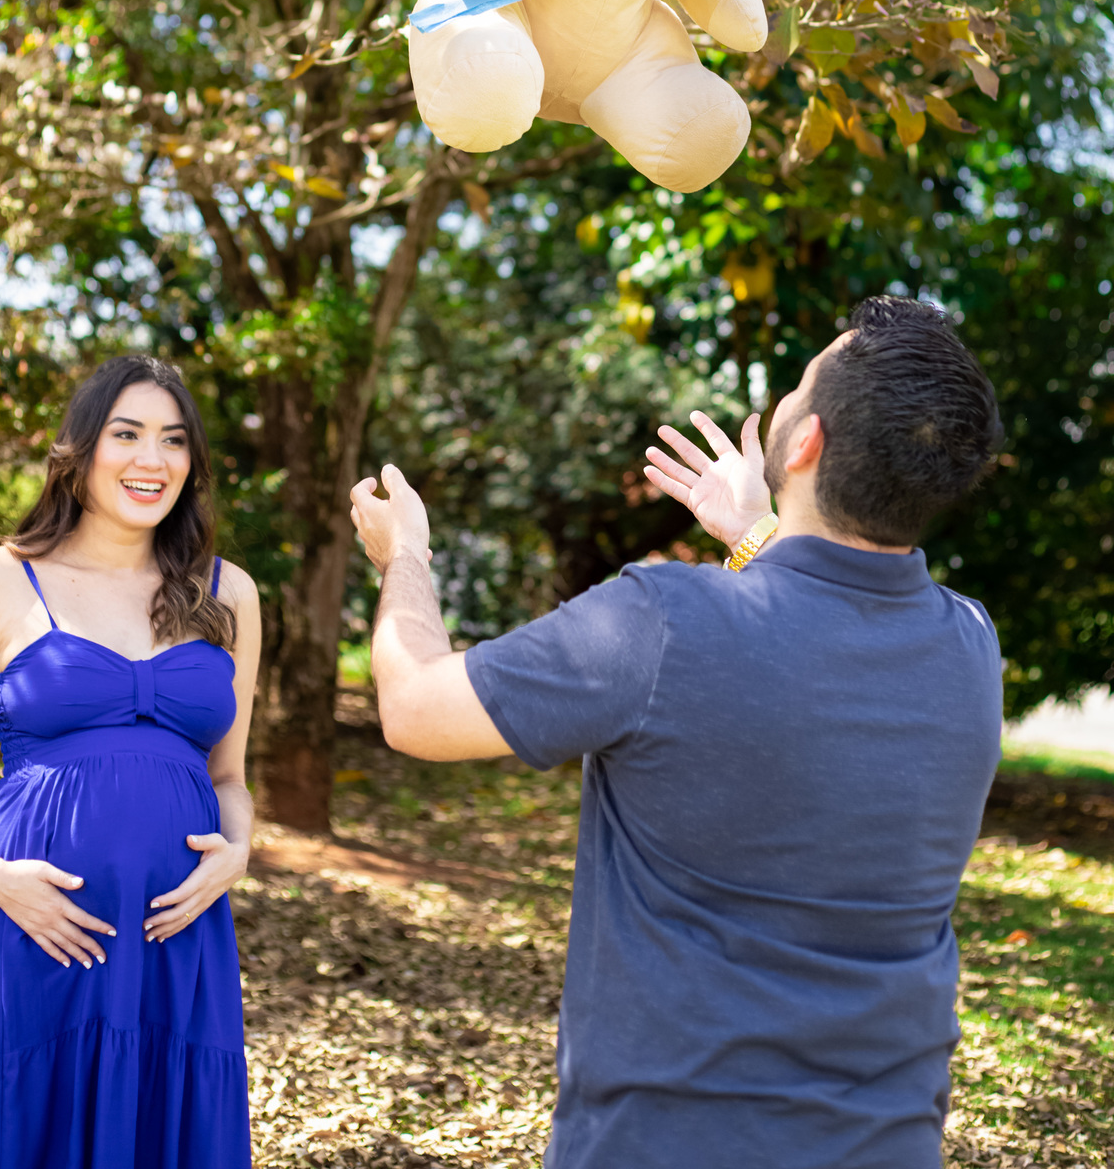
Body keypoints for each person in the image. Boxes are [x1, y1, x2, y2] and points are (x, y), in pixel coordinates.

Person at [352, 296, 1004, 1169]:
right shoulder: (970, 645)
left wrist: (405, 555)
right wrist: (759, 534)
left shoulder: (663, 621)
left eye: (799, 385)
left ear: (805, 443)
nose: (784, 399)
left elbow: (413, 706)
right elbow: (823, 623)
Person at [0, 355, 260, 1169]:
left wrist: (239, 852)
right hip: (30, 930)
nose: (153, 459)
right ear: (81, 449)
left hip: (175, 941)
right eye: (127, 434)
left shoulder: (228, 594)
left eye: (174, 440)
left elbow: (230, 779)